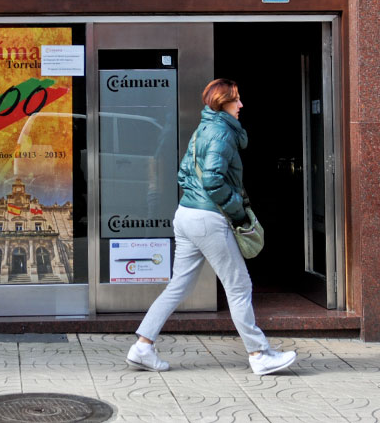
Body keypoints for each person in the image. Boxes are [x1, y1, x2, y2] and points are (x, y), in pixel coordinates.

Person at [126, 78, 297, 376]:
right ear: (222, 102)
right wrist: (238, 213)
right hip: (208, 219)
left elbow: (183, 173)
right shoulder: (221, 133)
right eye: (236, 99)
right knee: (239, 285)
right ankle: (259, 354)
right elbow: (213, 180)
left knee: (179, 285)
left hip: (187, 215)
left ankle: (142, 347)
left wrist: (200, 198)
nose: (241, 105)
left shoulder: (203, 129)